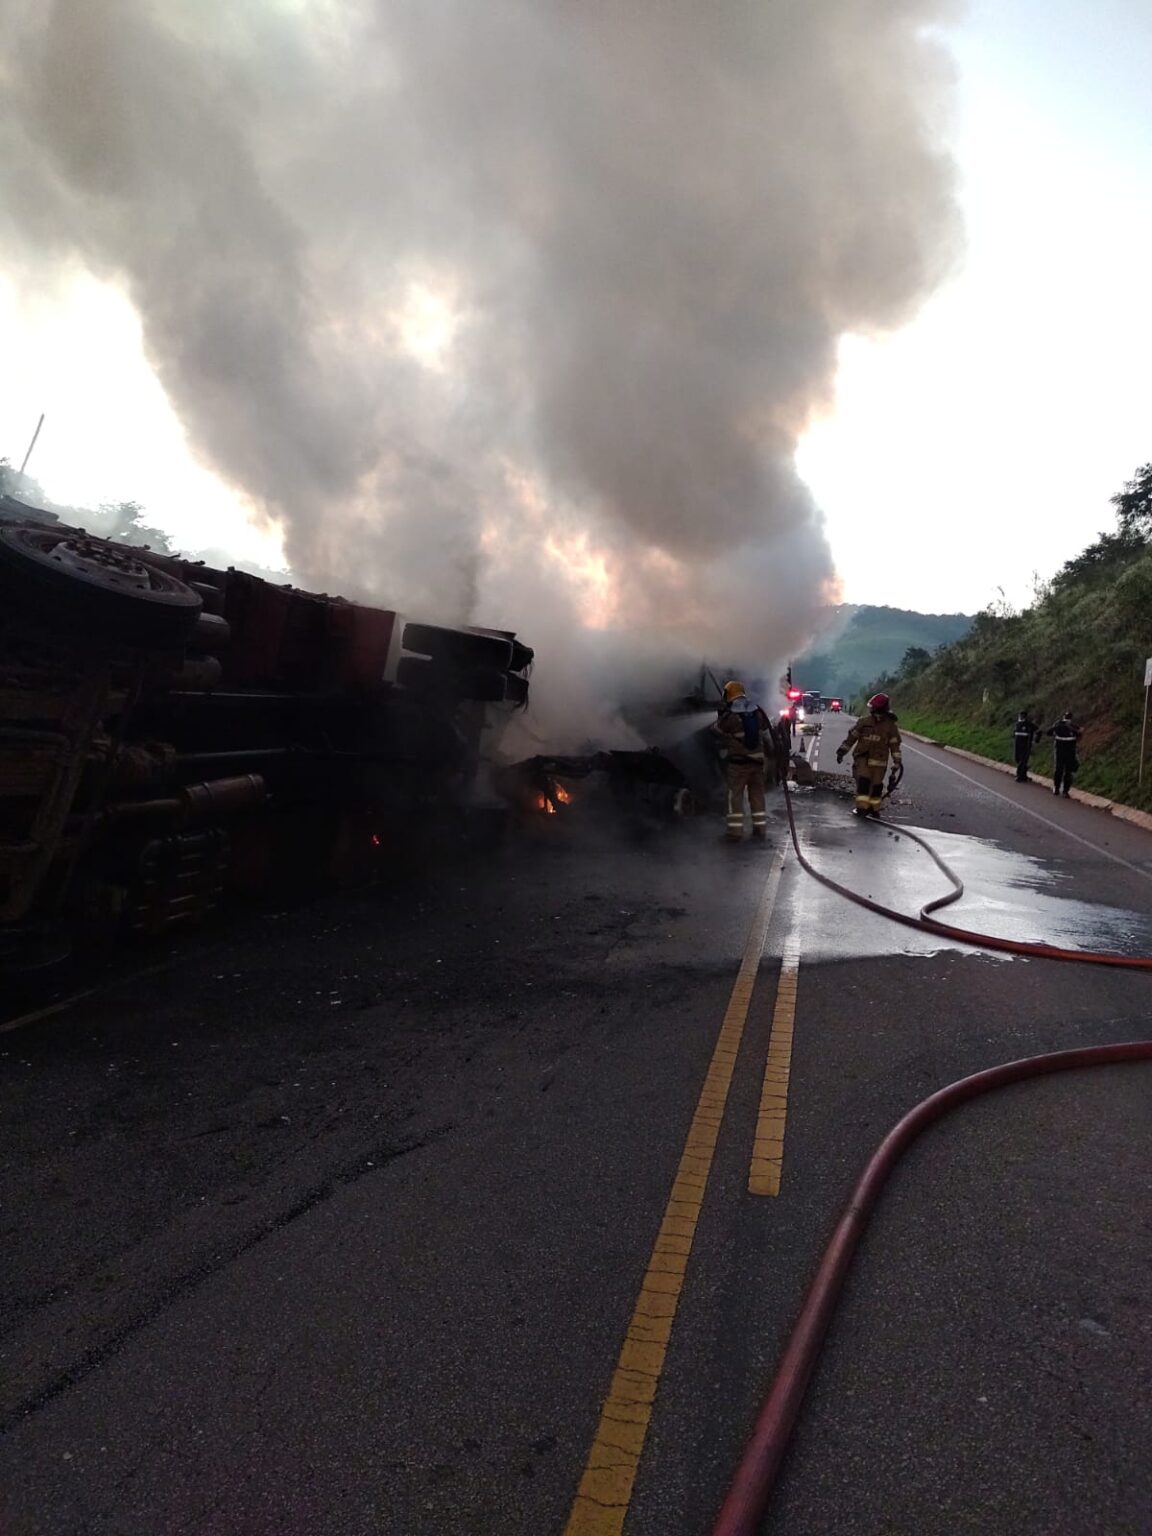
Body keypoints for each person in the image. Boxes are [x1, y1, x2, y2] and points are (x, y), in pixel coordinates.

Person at [713, 679, 775, 841]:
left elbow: (715, 730)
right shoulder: (757, 711)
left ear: (729, 694)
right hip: (758, 763)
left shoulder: (731, 714)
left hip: (739, 764)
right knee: (757, 796)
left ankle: (735, 832)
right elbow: (767, 735)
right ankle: (760, 829)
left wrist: (720, 717)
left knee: (735, 796)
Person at [836, 693, 903, 817]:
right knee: (863, 783)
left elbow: (895, 746)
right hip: (863, 759)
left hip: (880, 762)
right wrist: (841, 751)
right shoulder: (864, 722)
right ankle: (862, 808)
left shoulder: (890, 727)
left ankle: (874, 808)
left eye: (873, 707)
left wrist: (897, 762)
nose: (870, 709)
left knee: (877, 787)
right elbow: (851, 738)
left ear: (878, 708)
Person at [1046, 711, 1082, 797]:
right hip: (1062, 751)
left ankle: (1063, 790)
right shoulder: (1059, 725)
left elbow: (1079, 734)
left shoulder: (1072, 726)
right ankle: (1058, 789)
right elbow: (1049, 732)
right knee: (1061, 771)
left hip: (1067, 751)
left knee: (1065, 771)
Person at [1012, 710, 1041, 783]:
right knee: (1018, 759)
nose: (1020, 717)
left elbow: (1038, 731)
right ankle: (1023, 775)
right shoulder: (1017, 724)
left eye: (1021, 716)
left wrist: (1037, 739)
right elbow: (1014, 733)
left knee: (1023, 760)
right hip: (1017, 745)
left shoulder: (1029, 724)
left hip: (1025, 745)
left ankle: (1019, 776)